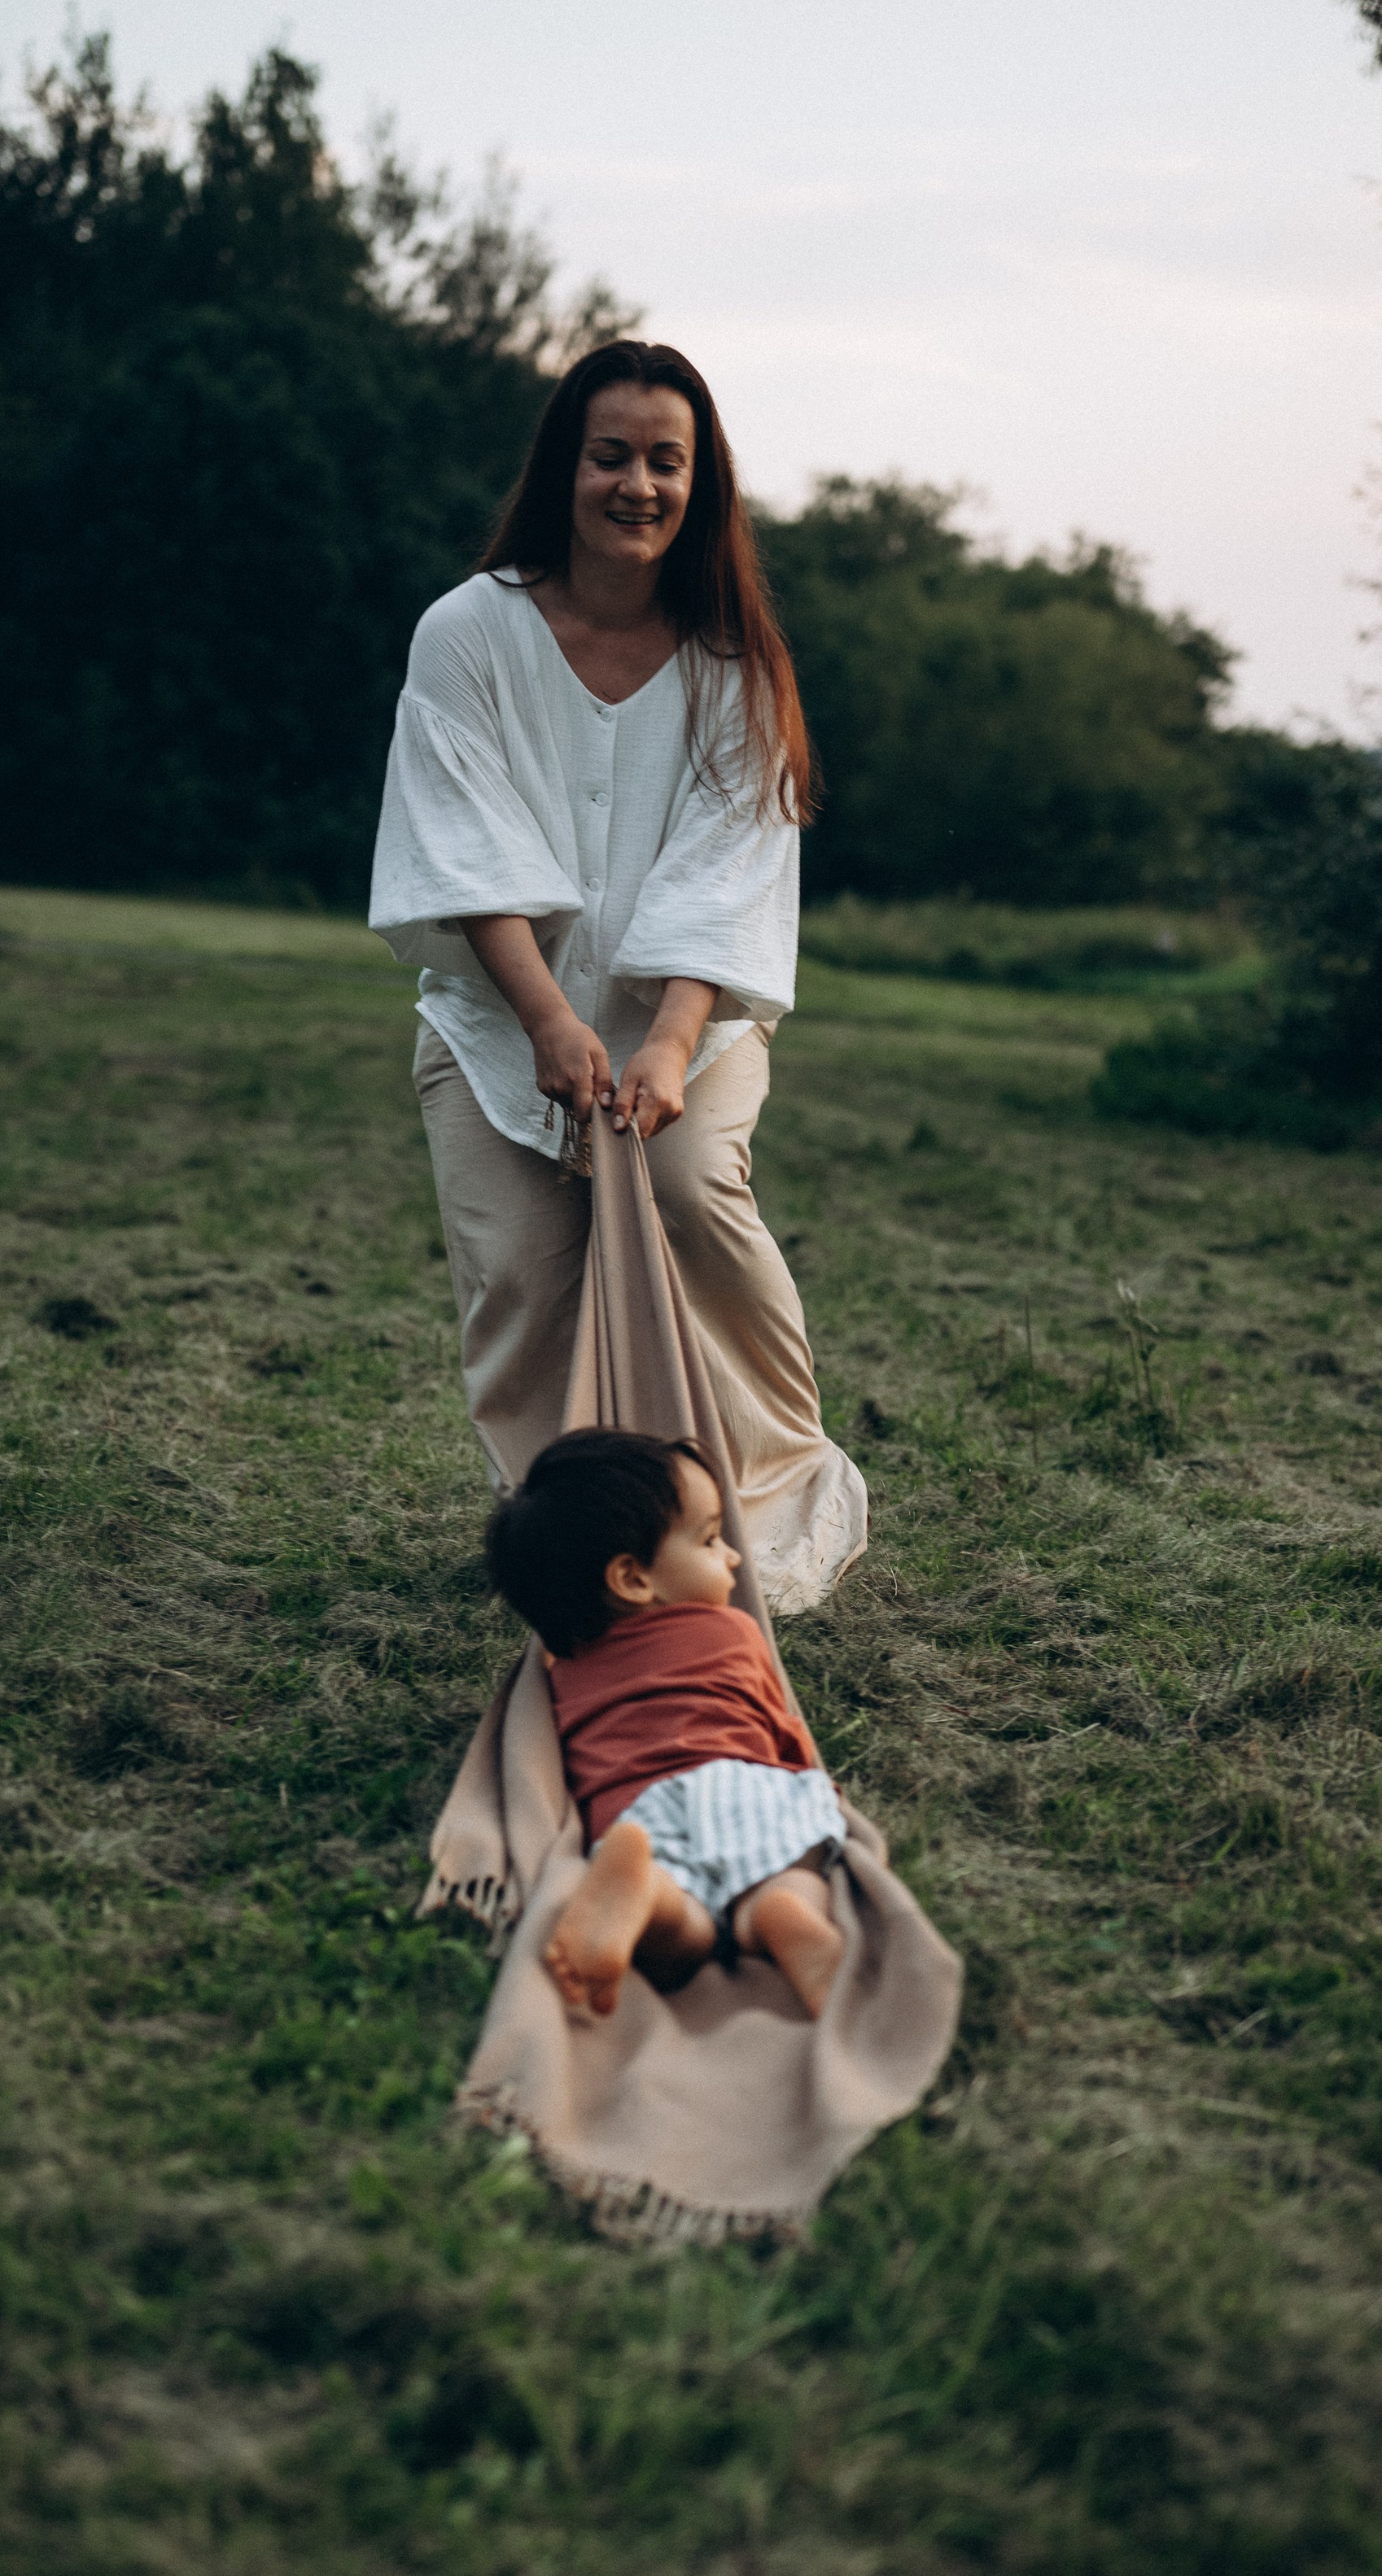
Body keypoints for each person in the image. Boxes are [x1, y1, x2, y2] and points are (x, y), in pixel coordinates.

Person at [370, 338, 866, 1614]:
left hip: (681, 1032)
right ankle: (576, 1545)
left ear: (702, 484)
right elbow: (461, 836)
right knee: (525, 1278)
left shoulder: (733, 659)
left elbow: (728, 860)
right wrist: (542, 1014)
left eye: (667, 460)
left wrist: (665, 1036)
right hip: (496, 1028)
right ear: (565, 468)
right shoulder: (469, 631)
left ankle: (779, 1499)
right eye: (612, 456)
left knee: (697, 1201)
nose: (637, 483)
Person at [485, 1428, 848, 2021]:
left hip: (638, 1818)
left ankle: (650, 1898)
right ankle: (784, 1914)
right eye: (709, 1540)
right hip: (744, 1789)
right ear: (632, 1579)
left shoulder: (566, 1672)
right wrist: (812, 1782)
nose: (732, 1555)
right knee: (787, 1873)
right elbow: (781, 1732)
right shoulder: (733, 1630)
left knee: (686, 1936)